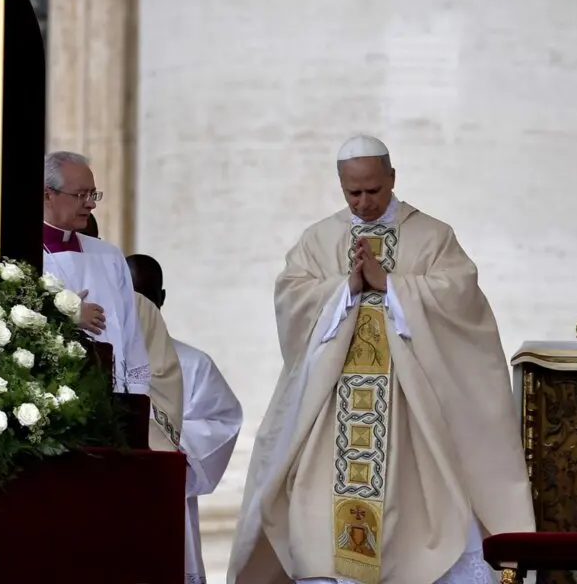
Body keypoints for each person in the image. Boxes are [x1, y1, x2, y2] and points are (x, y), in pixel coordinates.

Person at [228, 134, 535, 584]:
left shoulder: (432, 236)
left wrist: (391, 284)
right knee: (318, 525)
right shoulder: (319, 239)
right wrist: (346, 288)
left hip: (409, 414)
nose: (364, 202)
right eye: (353, 192)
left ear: (392, 177)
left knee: (419, 514)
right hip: (334, 411)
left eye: (373, 190)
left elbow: (461, 296)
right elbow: (291, 298)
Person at [41, 151, 183, 451]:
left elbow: (130, 335)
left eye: (93, 194)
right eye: (80, 195)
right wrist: (63, 315)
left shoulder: (108, 256)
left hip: (112, 406)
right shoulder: (20, 249)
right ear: (47, 195)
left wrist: (136, 400)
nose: (90, 204)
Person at [128, 253, 243, 584]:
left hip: (164, 495)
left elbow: (222, 422)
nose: (139, 307)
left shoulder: (193, 363)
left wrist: (162, 443)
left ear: (161, 299)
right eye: (130, 296)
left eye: (146, 297)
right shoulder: (98, 356)